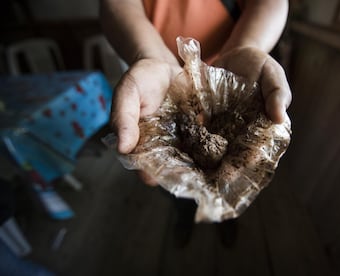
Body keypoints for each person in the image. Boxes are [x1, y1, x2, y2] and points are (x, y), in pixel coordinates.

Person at [100, 0, 292, 246]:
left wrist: (246, 44)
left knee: (228, 183)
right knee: (172, 184)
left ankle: (224, 220)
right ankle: (183, 217)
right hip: (163, 81)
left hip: (230, 69)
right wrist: (150, 55)